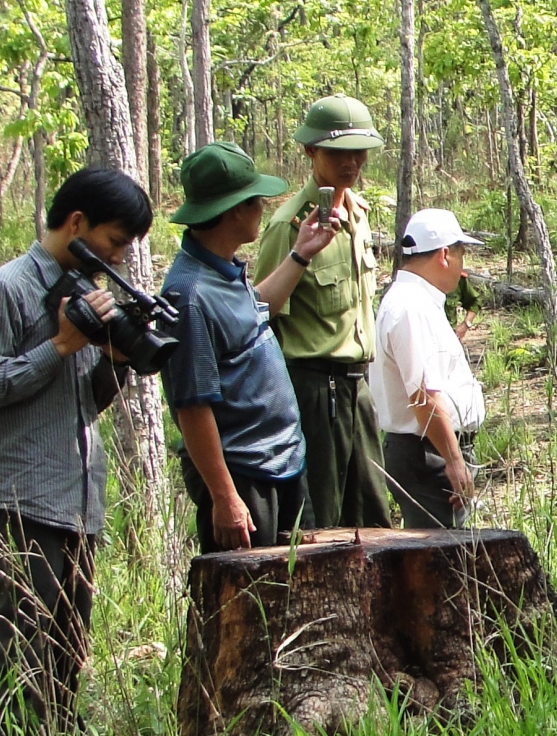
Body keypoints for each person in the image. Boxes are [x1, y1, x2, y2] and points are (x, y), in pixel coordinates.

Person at [0, 168, 153, 735]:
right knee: (20, 654)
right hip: (21, 499)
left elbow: (82, 404)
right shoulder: (3, 290)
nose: (118, 257)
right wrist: (61, 345)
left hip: (76, 501)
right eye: (115, 241)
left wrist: (115, 362)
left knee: (63, 659)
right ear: (76, 224)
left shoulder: (83, 296)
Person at [160, 141, 341, 552]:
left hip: (282, 465)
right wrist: (225, 498)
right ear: (236, 209)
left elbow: (256, 312)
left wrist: (301, 255)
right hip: (244, 476)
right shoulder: (190, 295)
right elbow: (192, 406)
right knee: (254, 602)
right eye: (257, 200)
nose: (263, 207)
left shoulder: (221, 271)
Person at [254, 93, 393, 529]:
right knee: (323, 524)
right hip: (315, 390)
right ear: (312, 152)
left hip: (358, 389)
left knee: (374, 517)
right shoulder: (291, 225)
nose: (351, 163)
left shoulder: (359, 215)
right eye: (338, 153)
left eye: (359, 153)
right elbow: (261, 312)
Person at [371, 209, 486, 528]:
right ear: (444, 255)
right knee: (442, 561)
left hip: (431, 450)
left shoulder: (414, 301)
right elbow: (424, 395)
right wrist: (453, 460)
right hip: (428, 453)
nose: (464, 266)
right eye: (462, 254)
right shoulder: (412, 307)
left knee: (447, 558)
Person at [445, 272, 482, 342]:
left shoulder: (456, 278)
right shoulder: (419, 279)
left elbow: (475, 301)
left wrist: (465, 324)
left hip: (447, 339)